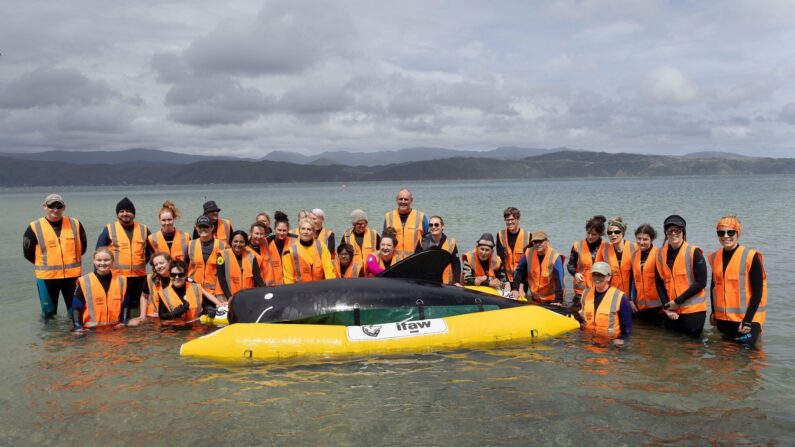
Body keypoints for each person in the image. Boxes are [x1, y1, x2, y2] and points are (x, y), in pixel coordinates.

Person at [23, 193, 87, 319]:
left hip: (72, 278)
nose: (55, 210)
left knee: (76, 312)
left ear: (64, 207)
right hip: (47, 279)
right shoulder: (34, 227)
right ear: (45, 207)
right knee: (49, 314)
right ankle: (51, 338)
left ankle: (74, 337)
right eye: (51, 206)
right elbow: (28, 254)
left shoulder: (75, 224)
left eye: (59, 206)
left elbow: (82, 248)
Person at [708, 216, 767, 346]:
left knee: (747, 352)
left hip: (748, 319)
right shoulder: (714, 257)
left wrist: (748, 320)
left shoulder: (751, 256)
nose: (726, 236)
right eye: (721, 232)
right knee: (725, 355)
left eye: (730, 232)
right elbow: (714, 287)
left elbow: (758, 291)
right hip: (724, 319)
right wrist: (713, 312)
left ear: (737, 233)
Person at [96, 197, 151, 313]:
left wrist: (140, 262)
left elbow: (151, 252)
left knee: (138, 309)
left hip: (139, 278)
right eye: (121, 211)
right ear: (117, 214)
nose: (125, 214)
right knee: (118, 308)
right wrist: (98, 277)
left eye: (128, 211)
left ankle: (138, 331)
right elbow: (99, 253)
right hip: (117, 278)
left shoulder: (143, 229)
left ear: (133, 213)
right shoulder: (109, 229)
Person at [658, 214, 708, 337]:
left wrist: (678, 301)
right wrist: (667, 308)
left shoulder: (693, 252)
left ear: (683, 232)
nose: (673, 233)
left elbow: (701, 282)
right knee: (672, 349)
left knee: (692, 350)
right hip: (671, 310)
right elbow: (658, 282)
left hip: (693, 311)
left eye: (677, 230)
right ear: (666, 233)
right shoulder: (660, 254)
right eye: (669, 230)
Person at [71, 247, 131, 330]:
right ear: (94, 261)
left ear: (112, 261)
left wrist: (124, 323)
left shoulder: (122, 281)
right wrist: (78, 328)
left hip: (115, 330)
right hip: (91, 331)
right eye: (99, 260)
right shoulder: (84, 281)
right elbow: (76, 308)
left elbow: (126, 306)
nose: (103, 263)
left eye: (106, 260)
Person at [578, 262, 633, 346]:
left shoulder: (620, 297)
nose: (597, 278)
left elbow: (627, 329)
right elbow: (582, 318)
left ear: (608, 277)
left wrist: (621, 339)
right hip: (588, 340)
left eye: (601, 275)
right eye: (594, 275)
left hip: (610, 343)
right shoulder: (585, 293)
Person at [158, 260, 224, 324]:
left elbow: (204, 305)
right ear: (169, 275)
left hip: (196, 326)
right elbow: (161, 316)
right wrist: (174, 313)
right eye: (173, 275)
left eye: (180, 275)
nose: (177, 277)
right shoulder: (164, 293)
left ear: (186, 275)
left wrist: (209, 309)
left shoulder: (196, 288)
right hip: (175, 329)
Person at [510, 231, 565, 304]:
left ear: (547, 242)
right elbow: (519, 270)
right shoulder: (528, 253)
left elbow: (559, 280)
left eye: (540, 241)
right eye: (535, 242)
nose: (537, 244)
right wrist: (515, 288)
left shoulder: (555, 257)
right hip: (535, 299)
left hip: (552, 300)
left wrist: (558, 301)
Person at [628, 224, 667, 321]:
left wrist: (666, 304)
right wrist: (631, 300)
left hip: (659, 307)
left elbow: (665, 280)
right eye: (639, 238)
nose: (641, 242)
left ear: (652, 239)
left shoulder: (659, 254)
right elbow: (633, 280)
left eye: (645, 239)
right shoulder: (634, 256)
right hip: (640, 306)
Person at [568, 215, 607, 306]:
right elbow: (570, 265)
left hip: (600, 290)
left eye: (593, 234)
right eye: (588, 233)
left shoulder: (606, 247)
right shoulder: (577, 245)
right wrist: (575, 273)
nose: (590, 236)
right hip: (581, 291)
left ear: (600, 234)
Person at [283, 218, 336, 283]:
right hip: (300, 289)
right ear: (299, 231)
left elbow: (329, 270)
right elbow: (288, 278)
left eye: (309, 229)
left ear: (313, 232)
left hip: (319, 287)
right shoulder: (290, 252)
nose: (305, 232)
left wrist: (330, 285)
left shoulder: (321, 247)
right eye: (303, 229)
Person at [216, 230, 266, 299]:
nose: (238, 244)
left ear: (245, 244)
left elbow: (257, 277)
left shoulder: (251, 257)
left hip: (246, 298)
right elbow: (221, 279)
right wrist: (229, 297)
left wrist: (267, 291)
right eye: (235, 241)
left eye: (241, 242)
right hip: (226, 298)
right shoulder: (222, 255)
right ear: (231, 242)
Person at [415, 215, 461, 285]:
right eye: (431, 225)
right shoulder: (422, 242)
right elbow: (416, 264)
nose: (433, 227)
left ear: (442, 226)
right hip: (427, 283)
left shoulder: (451, 243)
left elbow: (456, 264)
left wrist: (457, 281)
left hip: (447, 284)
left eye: (436, 225)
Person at [129, 251, 172, 326]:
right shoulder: (150, 279)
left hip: (173, 317)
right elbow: (144, 296)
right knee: (131, 324)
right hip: (154, 317)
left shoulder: (178, 278)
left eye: (161, 263)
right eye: (156, 265)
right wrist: (142, 316)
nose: (159, 266)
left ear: (169, 262)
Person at [186, 215, 226, 293]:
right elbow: (184, 268)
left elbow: (225, 272)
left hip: (214, 292)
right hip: (193, 290)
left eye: (206, 226)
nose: (203, 229)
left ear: (212, 227)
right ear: (196, 227)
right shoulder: (190, 245)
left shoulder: (222, 246)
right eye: (200, 227)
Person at [384, 188, 428, 258]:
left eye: (406, 199)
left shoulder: (421, 217)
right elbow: (384, 241)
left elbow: (427, 240)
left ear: (411, 200)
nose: (403, 202)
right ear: (396, 200)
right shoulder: (388, 217)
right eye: (400, 199)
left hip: (415, 260)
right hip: (394, 262)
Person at [602, 216, 637, 295]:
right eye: (610, 233)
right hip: (614, 294)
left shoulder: (634, 247)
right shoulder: (605, 250)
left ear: (623, 233)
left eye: (617, 232)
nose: (613, 235)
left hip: (632, 295)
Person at [497, 207, 531, 283]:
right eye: (507, 220)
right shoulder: (500, 235)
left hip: (521, 278)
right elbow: (500, 260)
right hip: (506, 278)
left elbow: (528, 263)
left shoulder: (528, 236)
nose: (509, 222)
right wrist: (506, 281)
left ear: (518, 220)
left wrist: (522, 283)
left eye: (512, 219)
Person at [247, 221, 275, 286]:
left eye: (261, 234)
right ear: (250, 233)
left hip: (269, 285)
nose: (259, 236)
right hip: (254, 286)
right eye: (256, 233)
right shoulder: (245, 248)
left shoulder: (265, 241)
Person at [268, 211, 292, 284]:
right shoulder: (267, 244)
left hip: (290, 284)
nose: (281, 233)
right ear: (274, 229)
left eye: (284, 230)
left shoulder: (293, 243)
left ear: (288, 230)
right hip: (273, 285)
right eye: (279, 230)